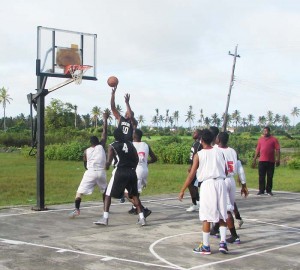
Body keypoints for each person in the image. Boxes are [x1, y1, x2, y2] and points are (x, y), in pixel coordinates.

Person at [178, 129, 229, 255]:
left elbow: (191, 175)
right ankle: (223, 243)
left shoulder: (199, 154)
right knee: (222, 214)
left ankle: (206, 246)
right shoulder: (220, 152)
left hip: (208, 184)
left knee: (206, 216)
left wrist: (183, 189)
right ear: (212, 139)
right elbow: (226, 170)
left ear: (201, 140)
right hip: (221, 182)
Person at [93, 128, 146, 226]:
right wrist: (133, 167)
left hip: (120, 171)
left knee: (108, 194)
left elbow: (109, 161)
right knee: (134, 195)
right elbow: (136, 158)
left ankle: (105, 218)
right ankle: (142, 218)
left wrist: (107, 165)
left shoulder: (112, 146)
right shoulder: (130, 144)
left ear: (115, 137)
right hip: (132, 172)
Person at [69, 113, 108, 218]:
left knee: (79, 192)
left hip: (90, 172)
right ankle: (105, 209)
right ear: (98, 142)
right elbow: (104, 133)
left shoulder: (86, 151)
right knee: (105, 191)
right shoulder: (101, 146)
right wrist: (105, 120)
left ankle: (77, 210)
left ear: (90, 143)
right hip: (101, 172)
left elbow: (85, 164)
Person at [216, 132, 249, 244]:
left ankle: (234, 236)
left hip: (223, 180)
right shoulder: (233, 151)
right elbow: (240, 168)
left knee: (227, 209)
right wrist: (244, 184)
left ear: (219, 140)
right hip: (231, 180)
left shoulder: (216, 150)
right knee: (227, 206)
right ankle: (218, 229)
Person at [111, 87, 137, 203]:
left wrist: (127, 103)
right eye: (126, 111)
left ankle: (125, 192)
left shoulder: (133, 122)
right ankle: (122, 192)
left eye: (128, 111)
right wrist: (113, 94)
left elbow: (131, 115)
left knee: (125, 169)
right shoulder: (120, 119)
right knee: (117, 168)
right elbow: (112, 107)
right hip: (119, 145)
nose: (127, 112)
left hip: (129, 146)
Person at [127, 129, 157, 216]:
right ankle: (135, 208)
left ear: (134, 136)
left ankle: (142, 209)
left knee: (127, 193)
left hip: (136, 171)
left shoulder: (130, 145)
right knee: (137, 191)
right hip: (144, 170)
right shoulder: (146, 145)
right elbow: (155, 158)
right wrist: (147, 162)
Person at [252, 126, 280, 196]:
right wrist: (254, 159)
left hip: (271, 161)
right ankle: (261, 190)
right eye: (264, 131)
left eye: (266, 131)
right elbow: (257, 150)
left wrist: (278, 159)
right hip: (262, 161)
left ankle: (269, 190)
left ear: (269, 131)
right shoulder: (260, 140)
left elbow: (277, 150)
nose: (265, 132)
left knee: (270, 176)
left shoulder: (274, 139)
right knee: (261, 176)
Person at [185, 129, 202, 212]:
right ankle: (197, 202)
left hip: (197, 168)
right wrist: (190, 165)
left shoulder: (199, 144)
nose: (193, 133)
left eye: (195, 133)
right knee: (193, 185)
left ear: (199, 135)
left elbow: (197, 157)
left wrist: (193, 167)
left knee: (191, 184)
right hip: (193, 166)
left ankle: (196, 203)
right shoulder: (195, 143)